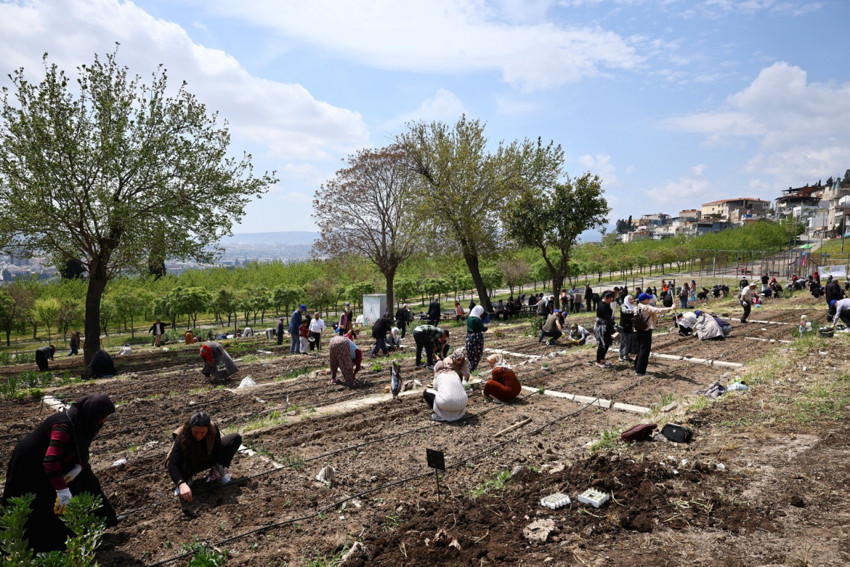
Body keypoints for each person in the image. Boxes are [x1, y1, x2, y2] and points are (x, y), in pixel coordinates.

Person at [2, 394, 118, 552]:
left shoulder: (85, 423)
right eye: (103, 416)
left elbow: (80, 448)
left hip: (61, 460)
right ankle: (35, 548)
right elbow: (50, 461)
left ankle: (96, 526)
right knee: (39, 502)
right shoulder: (63, 426)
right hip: (31, 464)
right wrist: (62, 491)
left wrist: (79, 466)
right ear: (93, 413)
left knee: (86, 481)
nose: (104, 421)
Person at [167, 411, 242, 504]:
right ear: (191, 428)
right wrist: (181, 484)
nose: (199, 436)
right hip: (188, 463)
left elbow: (217, 449)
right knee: (180, 465)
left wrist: (220, 465)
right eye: (196, 432)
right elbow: (172, 464)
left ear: (207, 429)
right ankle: (186, 479)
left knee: (235, 438)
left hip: (205, 458)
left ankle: (218, 472)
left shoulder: (213, 429)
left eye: (203, 432)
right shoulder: (182, 435)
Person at [633, 292, 675, 376]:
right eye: (648, 298)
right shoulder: (646, 307)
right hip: (646, 330)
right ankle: (640, 371)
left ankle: (637, 368)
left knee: (640, 350)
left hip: (638, 330)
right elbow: (657, 310)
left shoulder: (636, 307)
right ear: (644, 300)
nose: (649, 299)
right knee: (645, 351)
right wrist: (670, 308)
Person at [593, 291, 616, 368]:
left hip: (607, 326)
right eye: (609, 299)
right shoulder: (601, 305)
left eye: (612, 299)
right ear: (605, 298)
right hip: (601, 327)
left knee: (607, 342)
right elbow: (606, 317)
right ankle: (598, 361)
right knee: (602, 344)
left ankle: (602, 359)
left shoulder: (606, 304)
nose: (610, 301)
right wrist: (614, 323)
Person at [466, 305, 488, 372]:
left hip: (469, 336)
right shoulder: (477, 319)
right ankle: (472, 367)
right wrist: (486, 328)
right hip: (477, 337)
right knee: (477, 352)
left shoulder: (469, 318)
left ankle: (470, 365)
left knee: (470, 351)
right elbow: (483, 329)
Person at [618, 295, 637, 362]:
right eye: (630, 299)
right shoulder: (624, 306)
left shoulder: (632, 307)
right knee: (624, 341)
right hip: (624, 327)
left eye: (632, 299)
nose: (632, 301)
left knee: (629, 341)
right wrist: (633, 311)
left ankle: (626, 355)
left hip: (630, 326)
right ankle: (621, 355)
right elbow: (625, 311)